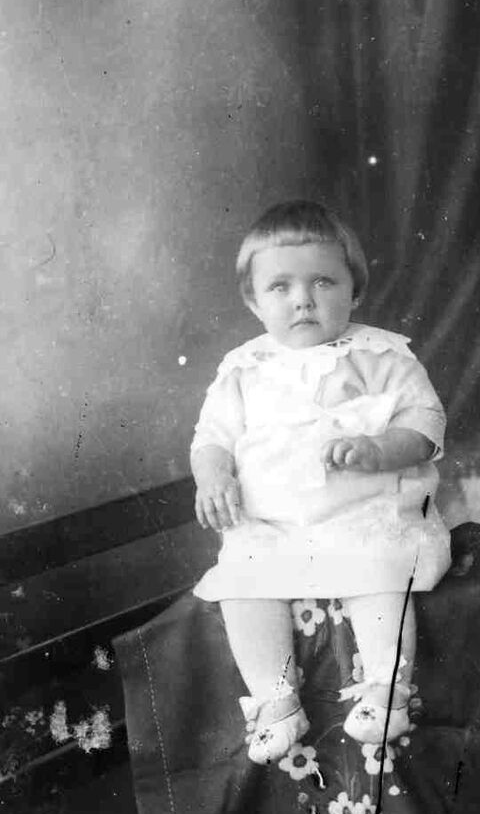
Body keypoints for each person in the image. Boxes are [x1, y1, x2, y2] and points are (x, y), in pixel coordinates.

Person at [189, 200, 450, 766]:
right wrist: (213, 475)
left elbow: (426, 423)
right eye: (280, 287)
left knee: (381, 572)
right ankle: (275, 700)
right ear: (254, 302)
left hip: (364, 516)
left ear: (354, 291)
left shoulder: (380, 356)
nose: (302, 299)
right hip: (273, 525)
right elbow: (211, 437)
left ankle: (386, 690)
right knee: (242, 585)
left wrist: (380, 449)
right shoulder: (243, 369)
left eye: (323, 282)